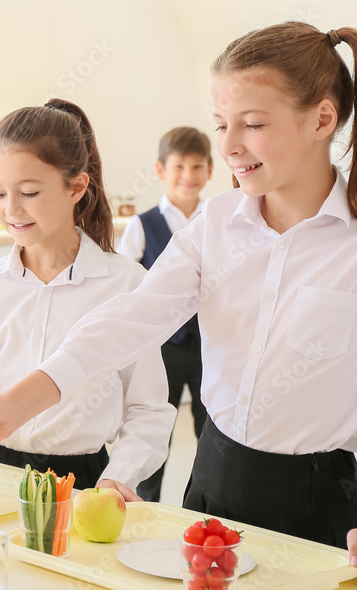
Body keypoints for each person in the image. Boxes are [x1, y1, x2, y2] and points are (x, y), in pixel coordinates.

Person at [0, 22, 357, 587]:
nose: (229, 146)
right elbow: (132, 319)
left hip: (318, 501)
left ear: (321, 119)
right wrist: (19, 402)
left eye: (253, 124)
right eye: (221, 124)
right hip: (212, 477)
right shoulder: (215, 225)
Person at [0, 99, 174, 493]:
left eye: (28, 191)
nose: (12, 209)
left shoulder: (125, 284)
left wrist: (116, 481)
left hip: (84, 484)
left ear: (76, 186)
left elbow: (148, 410)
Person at [117, 126, 212, 502]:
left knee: (209, 432)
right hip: (162, 347)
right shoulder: (143, 224)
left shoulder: (221, 219)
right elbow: (126, 284)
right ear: (161, 170)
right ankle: (145, 507)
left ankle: (199, 508)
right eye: (179, 167)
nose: (188, 176)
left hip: (211, 345)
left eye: (197, 167)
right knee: (154, 429)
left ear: (209, 170)